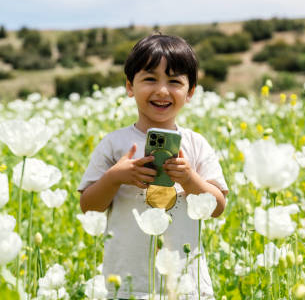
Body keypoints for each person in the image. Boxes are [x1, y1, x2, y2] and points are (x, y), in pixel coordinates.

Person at [78, 34, 228, 299]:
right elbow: (89, 206)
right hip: (127, 281)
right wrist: (116, 177)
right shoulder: (114, 144)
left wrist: (190, 179)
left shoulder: (195, 144)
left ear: (190, 91)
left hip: (185, 282)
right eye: (150, 79)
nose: (161, 91)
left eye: (174, 81)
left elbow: (217, 207)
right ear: (129, 86)